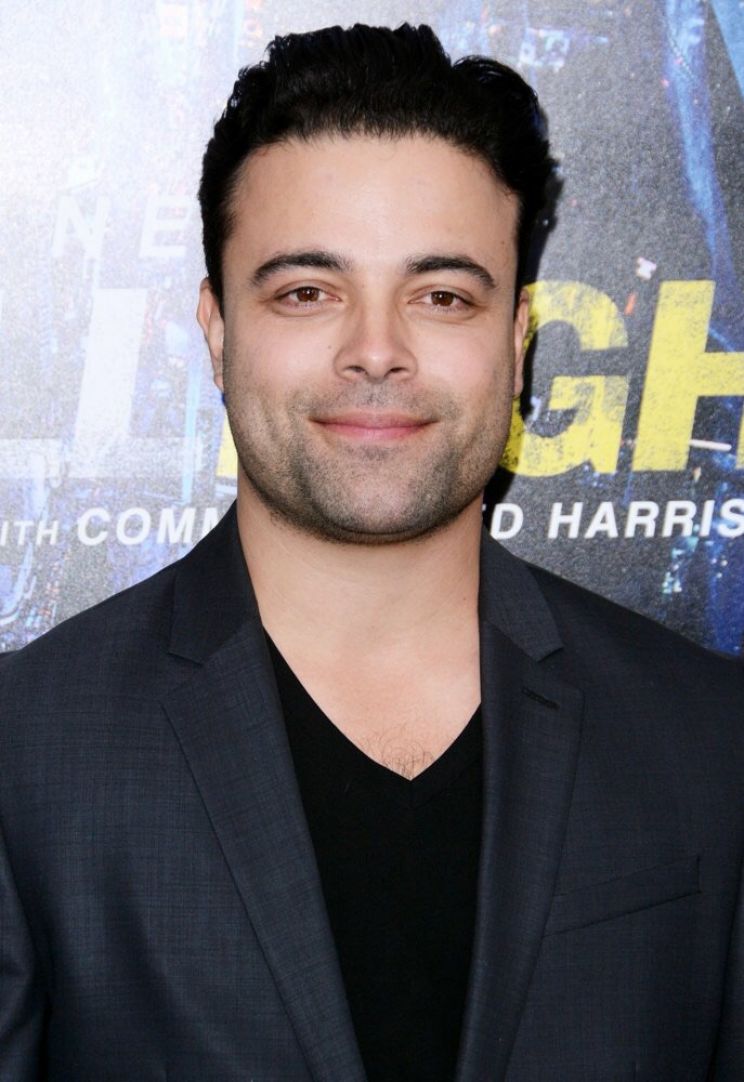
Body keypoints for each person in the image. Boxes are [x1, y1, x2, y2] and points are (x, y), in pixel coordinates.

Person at [0, 23, 741, 1082]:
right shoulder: (26, 754)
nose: (378, 350)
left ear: (518, 342)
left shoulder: (709, 739)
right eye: (308, 291)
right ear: (217, 331)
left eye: (443, 295)